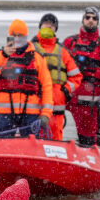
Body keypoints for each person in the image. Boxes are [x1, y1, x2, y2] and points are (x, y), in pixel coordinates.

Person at [0, 19, 53, 137]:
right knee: (1, 146)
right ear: (9, 37)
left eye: (20, 35)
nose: (16, 39)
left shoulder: (37, 58)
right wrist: (4, 54)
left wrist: (46, 114)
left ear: (26, 36)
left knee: (31, 148)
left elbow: (47, 87)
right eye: (13, 35)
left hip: (30, 114)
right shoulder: (0, 55)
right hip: (5, 113)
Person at [63, 7, 100, 146]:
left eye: (94, 18)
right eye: (88, 17)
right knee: (51, 127)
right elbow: (57, 69)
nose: (90, 21)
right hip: (66, 97)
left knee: (87, 140)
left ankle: (89, 156)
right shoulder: (69, 42)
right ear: (83, 20)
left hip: (88, 104)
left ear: (97, 22)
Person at [31, 13, 83, 141]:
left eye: (52, 24)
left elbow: (76, 76)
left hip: (57, 109)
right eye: (46, 23)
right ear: (40, 26)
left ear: (56, 29)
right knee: (33, 140)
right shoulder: (30, 48)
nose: (48, 26)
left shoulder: (63, 52)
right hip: (34, 107)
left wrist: (64, 91)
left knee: (55, 142)